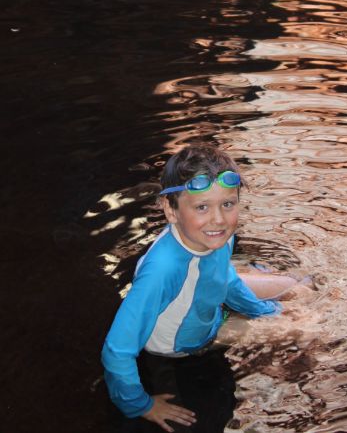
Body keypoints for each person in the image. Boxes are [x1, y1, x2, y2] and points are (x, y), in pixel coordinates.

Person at [102, 143, 281, 432]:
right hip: (183, 347)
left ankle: (279, 296)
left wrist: (262, 310)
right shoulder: (163, 271)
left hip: (205, 303)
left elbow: (226, 279)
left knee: (299, 287)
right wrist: (140, 405)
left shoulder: (217, 236)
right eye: (201, 207)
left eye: (228, 204)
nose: (219, 219)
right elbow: (117, 350)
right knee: (304, 328)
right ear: (170, 210)